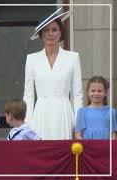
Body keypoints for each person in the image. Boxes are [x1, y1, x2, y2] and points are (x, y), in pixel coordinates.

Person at [23, 7, 83, 140]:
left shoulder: (73, 57)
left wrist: (79, 123)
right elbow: (28, 94)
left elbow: (77, 94)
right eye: (46, 30)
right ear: (41, 35)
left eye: (54, 29)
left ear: (60, 33)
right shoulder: (32, 59)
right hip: (40, 113)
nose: (50, 34)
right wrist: (28, 123)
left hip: (63, 112)